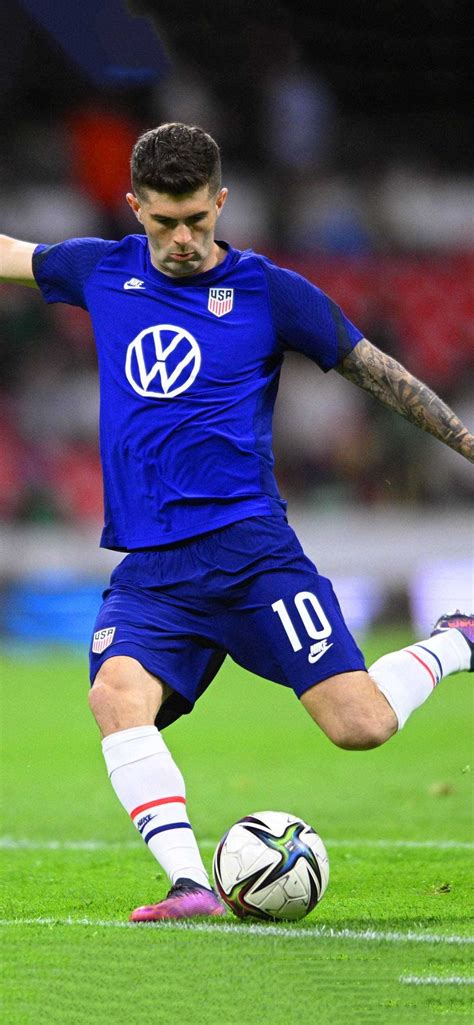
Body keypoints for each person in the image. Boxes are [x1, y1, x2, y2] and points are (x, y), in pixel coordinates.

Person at [1, 122, 473, 923]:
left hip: (253, 556)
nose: (183, 239)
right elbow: (11, 253)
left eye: (197, 219)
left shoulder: (270, 292)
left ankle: (457, 638)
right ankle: (190, 885)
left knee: (360, 725)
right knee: (116, 696)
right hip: (153, 572)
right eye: (164, 222)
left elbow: (378, 373)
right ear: (135, 209)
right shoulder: (100, 269)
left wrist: (466, 443)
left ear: (221, 202)